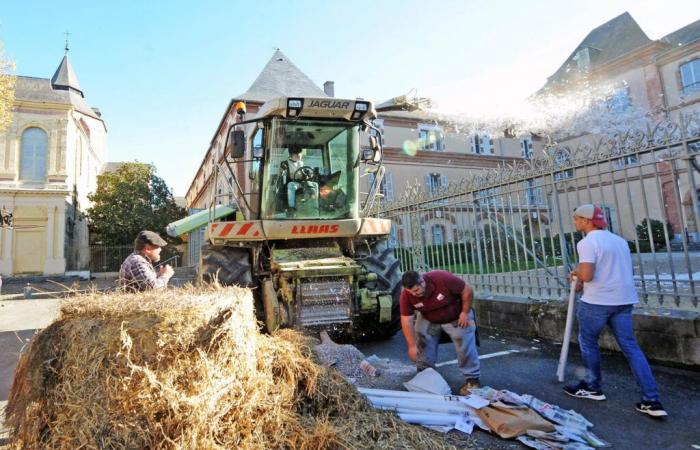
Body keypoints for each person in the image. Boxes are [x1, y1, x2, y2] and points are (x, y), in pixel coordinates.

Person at [565, 204, 667, 417]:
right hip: (624, 299)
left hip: (597, 301)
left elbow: (587, 275)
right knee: (630, 347)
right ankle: (651, 399)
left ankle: (593, 388)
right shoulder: (619, 241)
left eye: (577, 219)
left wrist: (576, 274)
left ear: (586, 220)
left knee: (588, 343)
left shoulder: (587, 242)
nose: (575, 222)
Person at [399, 270, 481, 395]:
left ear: (422, 282)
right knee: (420, 333)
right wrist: (411, 345)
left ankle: (472, 379)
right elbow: (406, 319)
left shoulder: (442, 278)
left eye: (416, 291)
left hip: (456, 314)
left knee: (463, 337)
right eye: (410, 292)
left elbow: (467, 291)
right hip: (429, 317)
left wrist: (465, 312)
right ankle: (424, 374)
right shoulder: (407, 294)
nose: (413, 294)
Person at [279, 145, 318, 212]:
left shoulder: (301, 163)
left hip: (302, 182)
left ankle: (315, 205)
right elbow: (282, 174)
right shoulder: (285, 163)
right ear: (291, 154)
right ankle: (291, 207)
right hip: (293, 182)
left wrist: (309, 174)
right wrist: (282, 170)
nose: (299, 155)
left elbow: (305, 172)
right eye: (296, 153)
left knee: (315, 185)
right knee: (291, 185)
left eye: (300, 153)